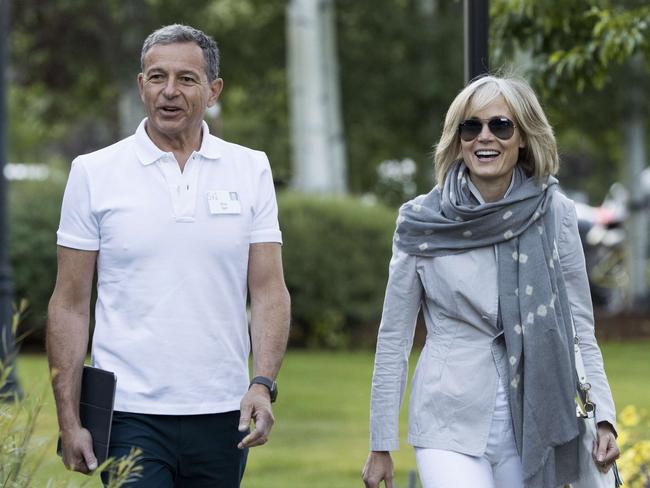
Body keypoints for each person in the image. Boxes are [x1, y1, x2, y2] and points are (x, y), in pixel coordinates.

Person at [47, 24, 290, 487]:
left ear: (213, 90)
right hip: (128, 416)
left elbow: (268, 290)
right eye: (157, 77)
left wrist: (262, 383)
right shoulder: (93, 173)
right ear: (142, 85)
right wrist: (68, 418)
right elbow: (69, 304)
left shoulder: (250, 167)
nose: (169, 92)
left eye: (187, 79)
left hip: (223, 414)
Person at [362, 75, 620, 488]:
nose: (485, 137)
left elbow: (579, 330)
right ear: (457, 139)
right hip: (447, 417)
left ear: (524, 138)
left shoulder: (556, 212)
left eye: (500, 125)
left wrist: (603, 415)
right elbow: (394, 336)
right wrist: (380, 443)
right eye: (471, 126)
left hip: (533, 419)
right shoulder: (421, 220)